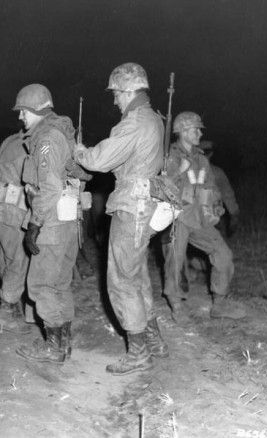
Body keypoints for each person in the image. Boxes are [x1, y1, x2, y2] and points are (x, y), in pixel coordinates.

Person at [74, 63, 168, 375]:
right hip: (146, 205)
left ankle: (139, 351)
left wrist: (80, 152)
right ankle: (154, 341)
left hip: (132, 206)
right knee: (137, 274)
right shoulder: (154, 119)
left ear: (127, 91)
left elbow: (101, 159)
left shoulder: (134, 121)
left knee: (122, 279)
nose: (114, 100)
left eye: (116, 93)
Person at [14, 84, 79, 364]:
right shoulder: (61, 134)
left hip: (50, 222)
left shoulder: (47, 138)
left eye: (24, 112)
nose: (20, 118)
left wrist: (34, 225)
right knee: (60, 284)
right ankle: (63, 343)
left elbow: (49, 188)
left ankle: (53, 347)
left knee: (41, 286)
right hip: (66, 220)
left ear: (36, 111)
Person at [163, 112, 244, 322]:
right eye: (195, 129)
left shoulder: (201, 159)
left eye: (200, 129)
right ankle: (177, 305)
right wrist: (175, 172)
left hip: (199, 218)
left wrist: (217, 206)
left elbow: (212, 188)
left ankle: (220, 303)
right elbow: (161, 188)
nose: (200, 133)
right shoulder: (169, 156)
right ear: (182, 131)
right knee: (175, 259)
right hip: (176, 218)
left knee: (223, 254)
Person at [0, 131, 31, 334]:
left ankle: (11, 308)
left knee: (6, 257)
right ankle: (7, 311)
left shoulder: (9, 139)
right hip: (16, 207)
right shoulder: (32, 141)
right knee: (19, 259)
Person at [198, 140, 240, 236]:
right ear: (211, 154)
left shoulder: (187, 171)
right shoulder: (217, 172)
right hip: (212, 215)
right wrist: (234, 213)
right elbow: (227, 194)